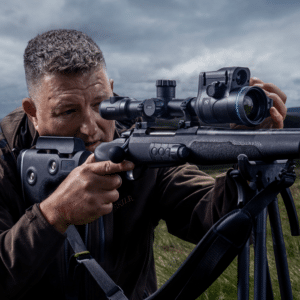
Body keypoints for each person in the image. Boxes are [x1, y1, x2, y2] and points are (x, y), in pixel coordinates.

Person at [0, 29, 287, 300]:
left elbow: (210, 214)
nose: (90, 128)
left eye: (102, 105)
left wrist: (249, 162)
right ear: (33, 113)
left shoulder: (139, 146)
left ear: (112, 91)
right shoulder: (6, 159)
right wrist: (53, 215)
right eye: (68, 111)